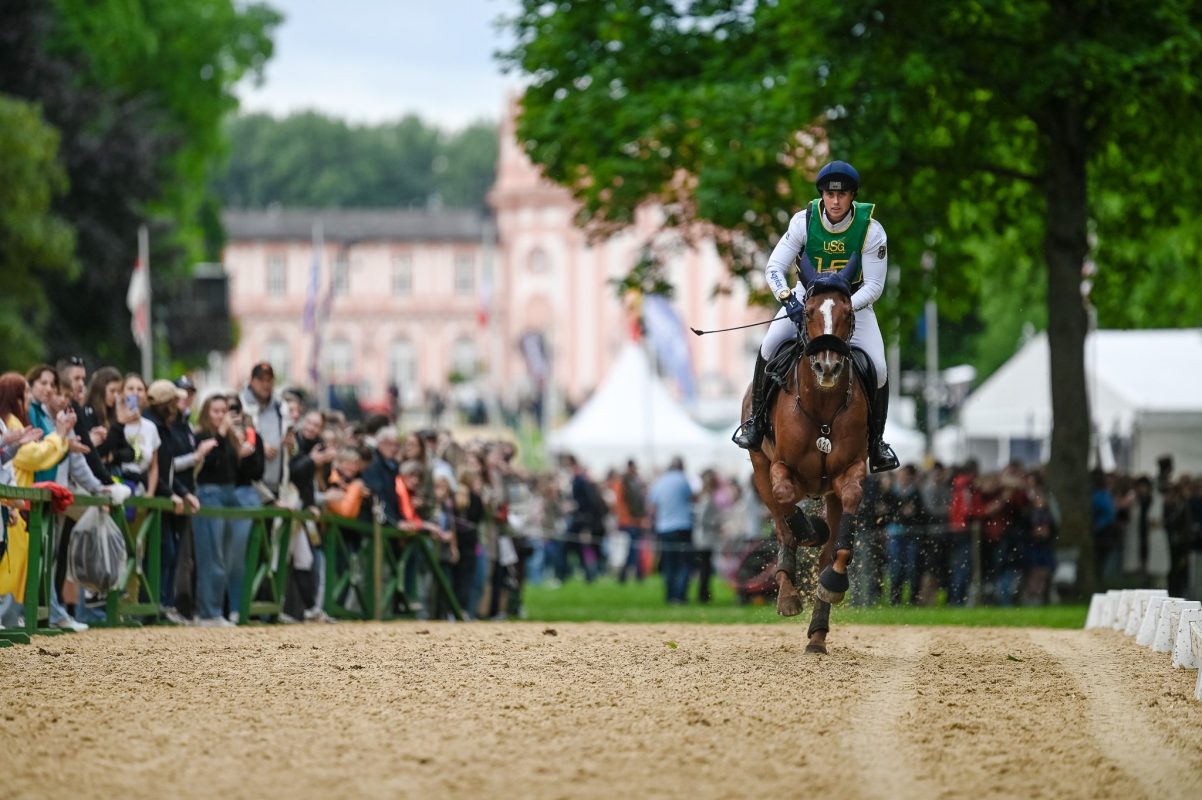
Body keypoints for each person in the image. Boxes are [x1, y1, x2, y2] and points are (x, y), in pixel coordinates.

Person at [732, 160, 899, 473]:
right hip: (804, 302)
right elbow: (774, 267)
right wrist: (788, 300)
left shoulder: (871, 230)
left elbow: (874, 285)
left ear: (852, 196)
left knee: (878, 366)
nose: (835, 202)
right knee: (769, 346)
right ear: (822, 194)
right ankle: (755, 422)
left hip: (853, 306)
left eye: (843, 195)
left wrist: (844, 306)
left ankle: (876, 443)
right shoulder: (802, 222)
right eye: (829, 194)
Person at [647, 456, 694, 604]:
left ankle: (670, 596)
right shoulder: (683, 480)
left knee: (668, 564)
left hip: (664, 528)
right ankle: (681, 596)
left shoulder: (660, 481)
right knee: (684, 563)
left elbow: (652, 506)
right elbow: (691, 498)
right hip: (683, 526)